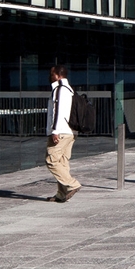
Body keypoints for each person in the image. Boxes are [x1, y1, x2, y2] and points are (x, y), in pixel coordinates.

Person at [45, 61, 81, 203]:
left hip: (61, 131)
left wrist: (55, 131)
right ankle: (61, 194)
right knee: (62, 162)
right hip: (71, 131)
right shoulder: (70, 89)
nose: (50, 76)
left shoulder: (59, 89)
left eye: (52, 74)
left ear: (58, 75)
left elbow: (58, 112)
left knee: (51, 160)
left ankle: (72, 184)